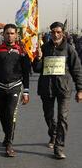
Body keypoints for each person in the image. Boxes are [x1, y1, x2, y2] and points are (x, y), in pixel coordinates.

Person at [32, 22, 82, 159]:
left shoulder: (69, 49)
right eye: (53, 32)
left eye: (58, 32)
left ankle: (59, 147)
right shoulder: (44, 48)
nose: (55, 34)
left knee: (62, 118)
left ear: (63, 33)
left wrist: (80, 89)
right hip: (46, 88)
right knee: (48, 116)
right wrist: (38, 58)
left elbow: (77, 69)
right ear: (50, 33)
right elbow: (36, 69)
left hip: (64, 89)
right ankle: (53, 134)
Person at [0, 23, 30, 157]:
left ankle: (9, 144)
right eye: (7, 33)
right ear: (3, 34)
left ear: (16, 35)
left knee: (10, 114)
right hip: (0, 87)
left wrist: (26, 91)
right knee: (3, 116)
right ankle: (7, 134)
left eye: (12, 33)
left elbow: (26, 72)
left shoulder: (21, 49)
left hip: (15, 86)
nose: (10, 36)